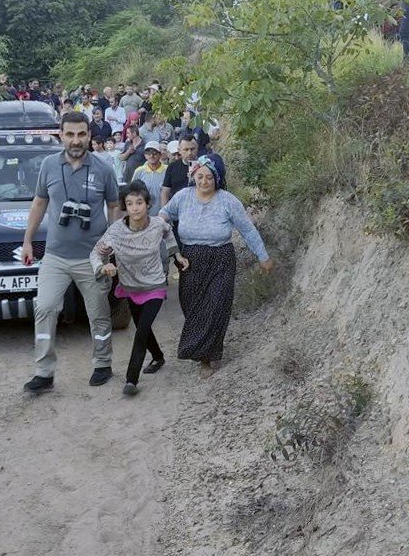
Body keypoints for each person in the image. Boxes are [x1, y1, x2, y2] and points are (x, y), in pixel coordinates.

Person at [21, 111, 120, 394]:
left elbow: (114, 206)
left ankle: (102, 364)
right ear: (61, 135)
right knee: (46, 307)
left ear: (89, 135)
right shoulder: (49, 166)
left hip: (92, 257)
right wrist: (27, 241)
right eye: (70, 134)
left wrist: (111, 242)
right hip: (55, 255)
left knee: (99, 313)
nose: (76, 140)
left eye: (81, 134)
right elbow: (39, 203)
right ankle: (43, 372)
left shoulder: (103, 169)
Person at [160, 156, 274, 377]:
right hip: (190, 260)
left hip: (221, 259)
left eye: (209, 177)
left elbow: (247, 230)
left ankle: (207, 356)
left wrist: (263, 256)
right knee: (192, 308)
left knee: (216, 307)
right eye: (200, 176)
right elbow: (165, 214)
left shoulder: (228, 201)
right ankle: (204, 349)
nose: (204, 181)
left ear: (217, 179)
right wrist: (162, 225)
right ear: (193, 176)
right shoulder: (183, 197)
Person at [90, 180, 189, 396]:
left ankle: (131, 379)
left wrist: (176, 255)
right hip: (130, 286)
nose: (136, 208)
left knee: (142, 330)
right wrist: (103, 266)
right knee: (142, 327)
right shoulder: (115, 232)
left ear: (147, 204)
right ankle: (158, 357)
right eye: (130, 203)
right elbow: (96, 252)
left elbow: (168, 232)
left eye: (140, 202)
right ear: (125, 206)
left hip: (154, 284)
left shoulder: (157, 224)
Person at [132, 142, 167, 215]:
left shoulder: (167, 170)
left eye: (155, 153)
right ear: (145, 155)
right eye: (148, 153)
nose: (152, 156)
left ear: (160, 154)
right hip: (143, 214)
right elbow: (133, 192)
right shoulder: (139, 171)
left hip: (162, 214)